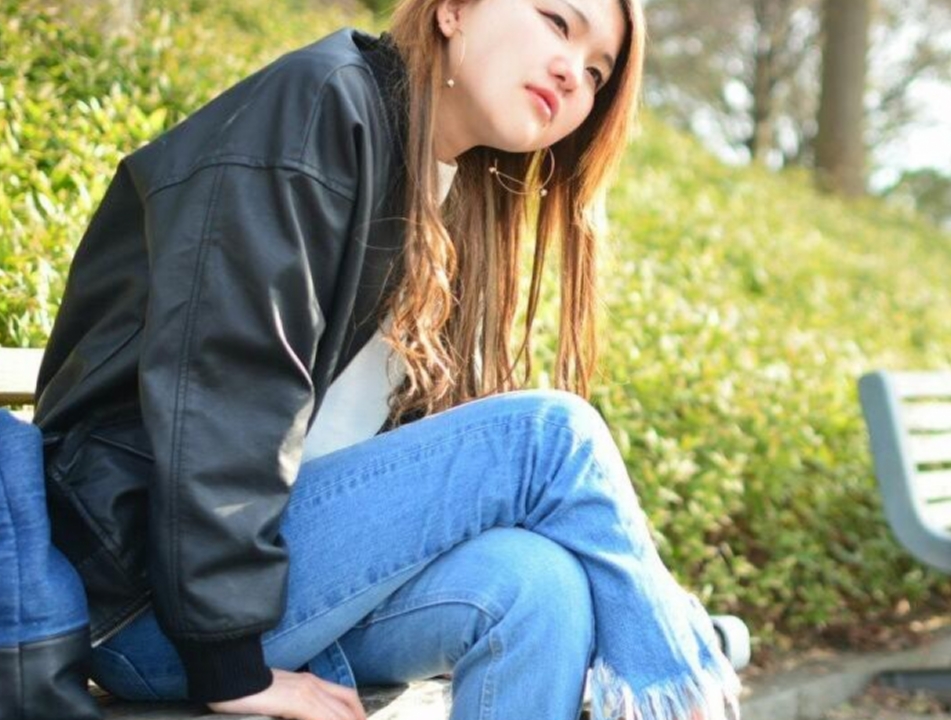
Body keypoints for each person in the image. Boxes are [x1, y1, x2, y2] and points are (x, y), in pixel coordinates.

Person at [32, 1, 741, 719]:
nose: (572, 74)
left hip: (276, 580)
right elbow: (222, 392)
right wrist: (229, 666)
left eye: (596, 74)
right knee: (552, 438)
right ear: (453, 10)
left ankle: (675, 675)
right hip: (153, 600)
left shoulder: (452, 195)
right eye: (558, 22)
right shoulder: (319, 108)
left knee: (540, 585)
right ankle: (683, 690)